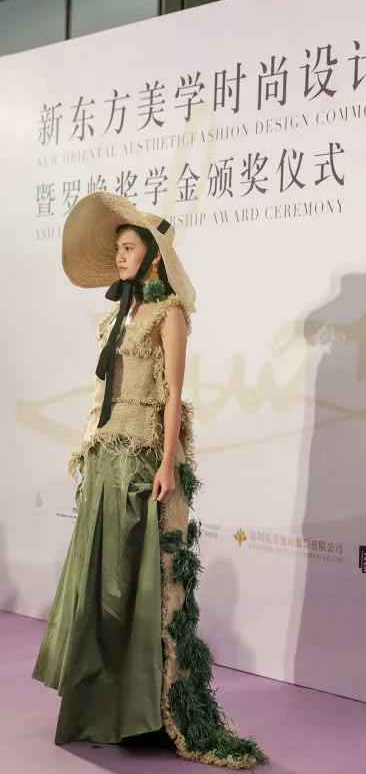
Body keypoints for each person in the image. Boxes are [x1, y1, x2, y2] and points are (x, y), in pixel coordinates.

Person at [32, 192, 267, 769]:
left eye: (128, 247)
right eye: (116, 248)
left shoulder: (170, 314)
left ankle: (143, 713)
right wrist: (89, 449)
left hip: (142, 458)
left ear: (153, 255)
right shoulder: (119, 315)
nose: (119, 256)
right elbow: (103, 392)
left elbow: (173, 396)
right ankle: (98, 709)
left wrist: (166, 464)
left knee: (136, 587)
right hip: (105, 457)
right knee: (101, 584)